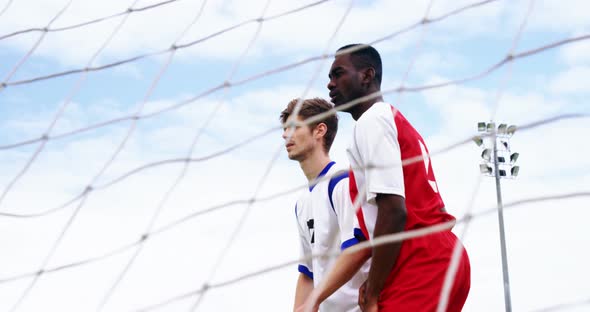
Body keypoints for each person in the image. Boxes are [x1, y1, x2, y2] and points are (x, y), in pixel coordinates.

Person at [305, 44, 471, 312]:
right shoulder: (390, 119)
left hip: (421, 259)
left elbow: (394, 210)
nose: (330, 84)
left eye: (338, 74)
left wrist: (373, 290)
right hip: (437, 254)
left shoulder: (373, 120)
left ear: (367, 76)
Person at [280, 98, 370, 312]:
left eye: (293, 127)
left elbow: (358, 248)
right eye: (284, 129)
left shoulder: (341, 182)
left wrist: (315, 300)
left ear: (319, 130)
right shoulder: (302, 203)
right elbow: (307, 273)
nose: (285, 135)